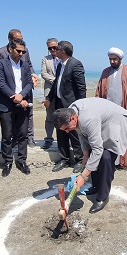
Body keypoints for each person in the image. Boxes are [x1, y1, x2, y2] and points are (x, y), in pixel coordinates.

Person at [53, 97, 127, 213]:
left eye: (67, 128)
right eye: (64, 130)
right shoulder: (72, 111)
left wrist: (83, 177)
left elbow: (98, 149)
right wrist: (85, 155)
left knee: (106, 157)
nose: (67, 131)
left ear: (73, 118)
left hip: (117, 122)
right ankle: (96, 185)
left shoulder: (88, 119)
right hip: (101, 121)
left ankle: (103, 197)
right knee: (93, 154)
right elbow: (81, 133)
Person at [95, 47, 127, 169]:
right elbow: (99, 91)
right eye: (110, 59)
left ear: (120, 59)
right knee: (110, 135)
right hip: (108, 111)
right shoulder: (105, 72)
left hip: (124, 109)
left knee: (124, 135)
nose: (112, 61)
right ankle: (111, 161)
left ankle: (125, 161)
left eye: (114, 59)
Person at [43, 40, 86, 173]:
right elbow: (56, 84)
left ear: (62, 51)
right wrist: (49, 98)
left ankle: (80, 160)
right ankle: (64, 159)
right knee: (61, 131)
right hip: (59, 104)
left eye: (56, 49)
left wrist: (80, 107)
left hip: (71, 105)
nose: (54, 51)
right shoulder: (60, 65)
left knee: (74, 133)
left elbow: (81, 88)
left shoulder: (75, 64)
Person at [0, 38, 34, 177]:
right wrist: (14, 96)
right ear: (10, 49)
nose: (21, 54)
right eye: (18, 51)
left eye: (23, 52)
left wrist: (21, 96)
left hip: (23, 104)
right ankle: (7, 161)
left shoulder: (25, 65)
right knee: (7, 135)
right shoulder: (0, 64)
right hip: (6, 104)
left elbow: (29, 83)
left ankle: (21, 160)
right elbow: (0, 84)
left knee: (23, 134)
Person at [0, 28, 38, 147]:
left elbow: (29, 65)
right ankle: (14, 139)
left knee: (28, 113)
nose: (20, 53)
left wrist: (33, 76)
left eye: (21, 39)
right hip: (10, 92)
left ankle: (30, 138)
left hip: (24, 89)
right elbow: (0, 75)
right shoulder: (0, 52)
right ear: (10, 40)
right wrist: (13, 94)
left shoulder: (25, 50)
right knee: (10, 118)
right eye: (17, 39)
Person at [40, 38, 60, 149]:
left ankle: (63, 139)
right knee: (50, 116)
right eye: (50, 48)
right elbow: (43, 73)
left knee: (63, 115)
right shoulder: (45, 59)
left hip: (61, 92)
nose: (52, 50)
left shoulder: (63, 58)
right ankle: (48, 138)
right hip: (49, 91)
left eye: (54, 47)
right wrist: (56, 81)